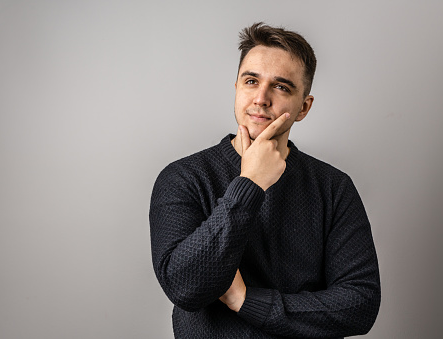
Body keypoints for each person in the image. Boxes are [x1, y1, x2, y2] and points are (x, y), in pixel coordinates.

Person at [149, 22, 380, 338]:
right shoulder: (184, 178)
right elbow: (186, 288)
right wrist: (251, 183)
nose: (261, 98)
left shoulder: (333, 187)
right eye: (251, 81)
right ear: (236, 89)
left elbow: (360, 304)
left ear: (304, 108)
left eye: (282, 87)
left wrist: (247, 301)